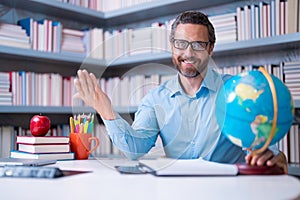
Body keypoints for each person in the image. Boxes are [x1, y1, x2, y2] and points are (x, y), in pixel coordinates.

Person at [74, 10, 288, 173]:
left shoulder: (237, 92)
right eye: (181, 43)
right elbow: (135, 149)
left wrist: (272, 158)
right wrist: (106, 111)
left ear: (210, 48)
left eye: (198, 45)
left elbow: (269, 150)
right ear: (172, 46)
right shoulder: (156, 98)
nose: (188, 53)